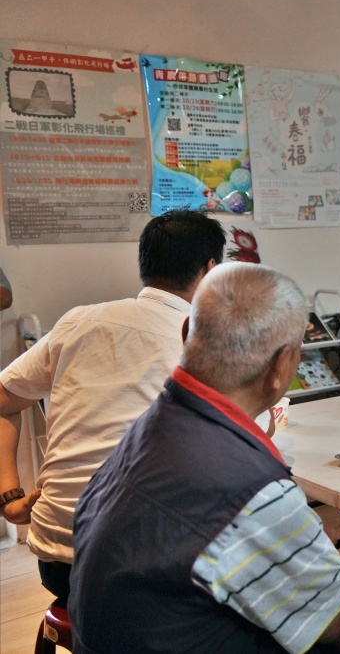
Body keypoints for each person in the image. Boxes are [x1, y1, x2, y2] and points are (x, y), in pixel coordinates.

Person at [69, 263, 340, 653]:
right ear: (281, 367)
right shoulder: (252, 488)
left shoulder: (148, 427)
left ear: (186, 332)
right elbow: (335, 617)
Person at [0, 210, 226, 601]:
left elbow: (3, 401)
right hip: (150, 571)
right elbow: (245, 442)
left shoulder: (78, 321)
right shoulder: (203, 341)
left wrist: (8, 497)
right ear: (210, 269)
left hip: (58, 563)